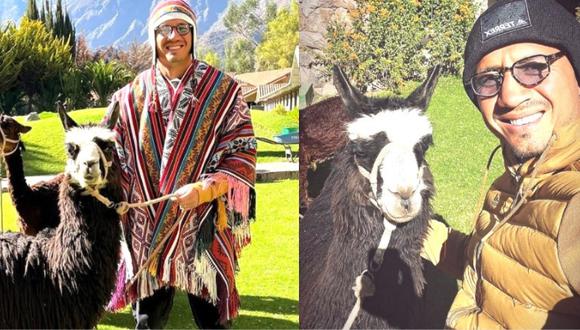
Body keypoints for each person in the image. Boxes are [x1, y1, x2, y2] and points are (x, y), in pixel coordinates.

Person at [422, 0, 580, 328]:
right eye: (489, 80)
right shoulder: (514, 182)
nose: (508, 95)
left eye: (534, 67)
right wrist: (413, 229)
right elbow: (496, 262)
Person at [103, 0, 256, 328]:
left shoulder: (223, 91)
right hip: (149, 234)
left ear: (193, 33)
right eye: (165, 29)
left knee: (213, 323)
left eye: (182, 28)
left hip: (203, 228)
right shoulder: (129, 98)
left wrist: (203, 190)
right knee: (147, 322)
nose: (174, 36)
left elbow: (242, 152)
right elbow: (108, 157)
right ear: (153, 36)